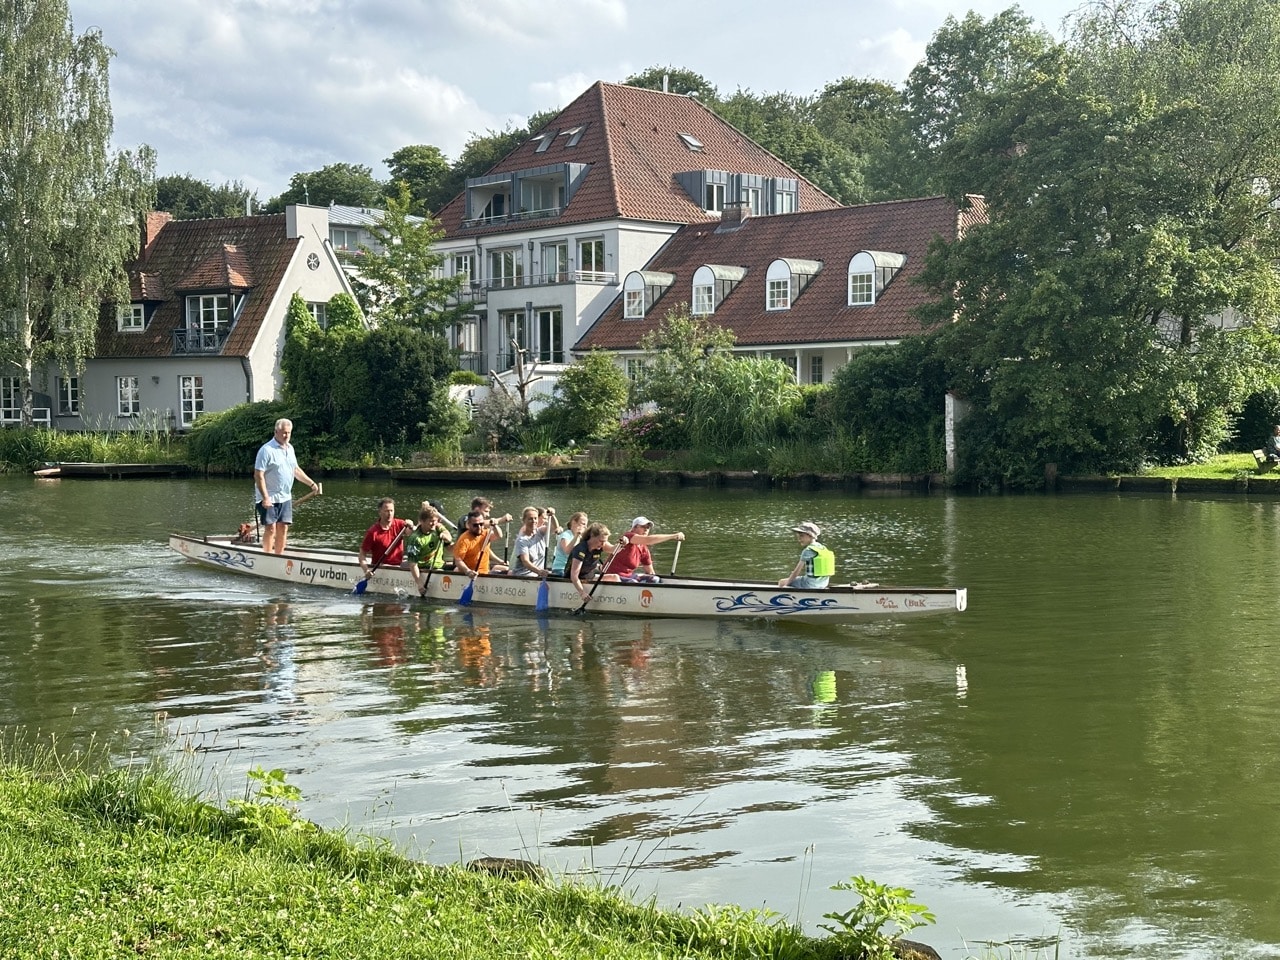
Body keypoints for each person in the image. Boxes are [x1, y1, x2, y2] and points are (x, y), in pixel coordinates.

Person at [253, 418, 319, 554]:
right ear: (276, 432)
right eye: (283, 433)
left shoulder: (290, 448)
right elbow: (258, 475)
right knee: (271, 528)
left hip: (285, 497)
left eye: (288, 433)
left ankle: (279, 556)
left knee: (283, 528)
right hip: (269, 497)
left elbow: (295, 470)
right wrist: (265, 497)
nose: (286, 436)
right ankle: (267, 555)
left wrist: (311, 483)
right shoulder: (266, 450)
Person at [605, 516, 685, 582]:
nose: (646, 529)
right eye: (643, 526)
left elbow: (650, 572)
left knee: (654, 579)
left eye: (648, 527)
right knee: (633, 583)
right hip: (612, 576)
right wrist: (673, 536)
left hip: (629, 576)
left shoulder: (644, 549)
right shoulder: (628, 537)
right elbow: (649, 540)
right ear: (634, 528)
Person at [358, 498, 414, 582]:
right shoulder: (373, 532)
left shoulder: (400, 524)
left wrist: (411, 526)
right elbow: (362, 555)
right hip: (381, 566)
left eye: (392, 511)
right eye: (386, 511)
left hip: (398, 564)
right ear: (380, 512)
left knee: (415, 563)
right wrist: (366, 570)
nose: (390, 514)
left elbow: (411, 533)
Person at [403, 504, 454, 595]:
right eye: (431, 521)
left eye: (435, 521)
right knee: (441, 571)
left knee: (457, 567)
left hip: (440, 565)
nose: (434, 523)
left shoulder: (437, 527)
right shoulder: (416, 539)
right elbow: (412, 564)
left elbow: (449, 537)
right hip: (425, 568)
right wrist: (419, 584)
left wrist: (445, 535)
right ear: (422, 521)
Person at [569, 521, 620, 605]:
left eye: (605, 541)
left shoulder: (601, 545)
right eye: (601, 541)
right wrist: (582, 593)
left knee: (615, 577)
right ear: (592, 536)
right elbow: (574, 576)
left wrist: (623, 543)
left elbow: (614, 549)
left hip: (589, 577)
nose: (603, 544)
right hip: (577, 580)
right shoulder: (580, 549)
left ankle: (616, 602)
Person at [779, 521, 835, 590]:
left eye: (801, 536)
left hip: (810, 584)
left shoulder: (808, 550)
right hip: (823, 584)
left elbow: (797, 571)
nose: (799, 539)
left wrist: (786, 584)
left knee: (782, 582)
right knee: (798, 579)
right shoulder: (823, 548)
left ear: (810, 535)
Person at [452, 510, 502, 581]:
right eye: (475, 525)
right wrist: (468, 571)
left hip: (485, 572)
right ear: (469, 524)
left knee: (506, 569)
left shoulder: (486, 533)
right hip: (472, 574)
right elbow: (458, 560)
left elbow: (499, 536)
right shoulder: (464, 540)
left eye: (481, 524)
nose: (479, 527)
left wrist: (495, 525)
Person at [510, 506, 559, 577]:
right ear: (524, 520)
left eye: (535, 518)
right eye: (530, 519)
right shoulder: (522, 540)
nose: (533, 521)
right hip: (523, 576)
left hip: (537, 575)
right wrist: (539, 572)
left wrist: (552, 515)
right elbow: (525, 561)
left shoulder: (540, 532)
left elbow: (555, 527)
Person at [551, 511, 588, 576]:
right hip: (560, 568)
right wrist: (577, 535)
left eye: (586, 525)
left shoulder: (581, 538)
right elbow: (567, 551)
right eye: (583, 524)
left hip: (573, 568)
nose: (585, 527)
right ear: (574, 522)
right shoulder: (565, 535)